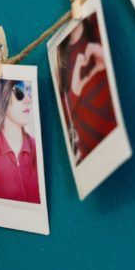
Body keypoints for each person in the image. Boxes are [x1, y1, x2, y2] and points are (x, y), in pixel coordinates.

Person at [56, 13, 117, 165]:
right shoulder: (58, 58)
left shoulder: (97, 23)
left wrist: (104, 57)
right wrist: (75, 88)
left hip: (116, 135)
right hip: (89, 156)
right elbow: (64, 116)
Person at [0, 80, 40, 204]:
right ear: (2, 94)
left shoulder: (38, 149)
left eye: (29, 90)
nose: (28, 99)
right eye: (20, 90)